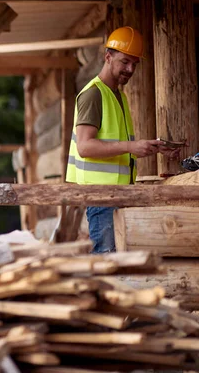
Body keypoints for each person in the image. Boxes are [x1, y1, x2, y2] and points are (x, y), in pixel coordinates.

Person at [66, 26, 181, 254]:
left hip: (119, 194)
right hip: (102, 196)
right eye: (125, 62)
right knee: (107, 260)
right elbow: (85, 146)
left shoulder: (118, 95)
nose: (130, 69)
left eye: (135, 64)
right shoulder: (93, 94)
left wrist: (151, 148)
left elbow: (117, 144)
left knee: (118, 261)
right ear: (108, 57)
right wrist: (131, 147)